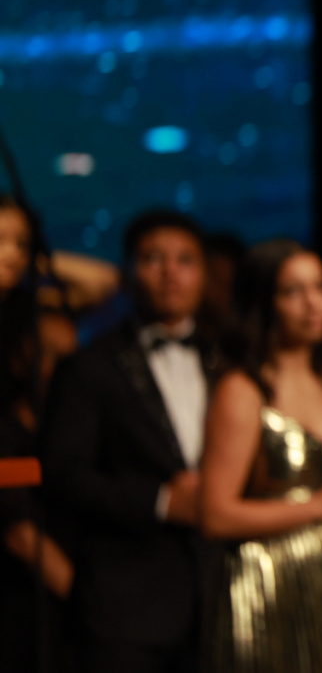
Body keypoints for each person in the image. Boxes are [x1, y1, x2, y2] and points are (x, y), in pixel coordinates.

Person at [41, 209, 223, 673]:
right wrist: (160, 501)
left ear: (205, 276)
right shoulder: (89, 368)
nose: (170, 272)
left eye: (185, 260)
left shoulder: (228, 365)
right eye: (153, 259)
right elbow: (64, 474)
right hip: (125, 610)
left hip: (221, 603)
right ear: (128, 271)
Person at [200, 239, 322, 673]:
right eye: (293, 291)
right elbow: (214, 515)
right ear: (264, 302)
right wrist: (320, 508)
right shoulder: (242, 391)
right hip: (265, 584)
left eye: (320, 287)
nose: (313, 303)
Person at [0, 195, 78, 672]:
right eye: (0, 240)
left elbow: (104, 283)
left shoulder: (25, 311)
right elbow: (15, 528)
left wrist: (38, 260)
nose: (11, 253)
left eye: (21, 243)